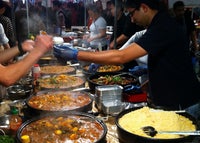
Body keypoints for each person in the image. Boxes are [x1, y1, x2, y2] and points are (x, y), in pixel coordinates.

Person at [54, 0, 200, 119]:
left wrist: (76, 54)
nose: (132, 19)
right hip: (174, 99)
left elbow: (121, 56)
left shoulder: (163, 26)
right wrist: (150, 81)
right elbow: (170, 62)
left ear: (144, 7)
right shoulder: (159, 23)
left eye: (131, 13)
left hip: (182, 103)